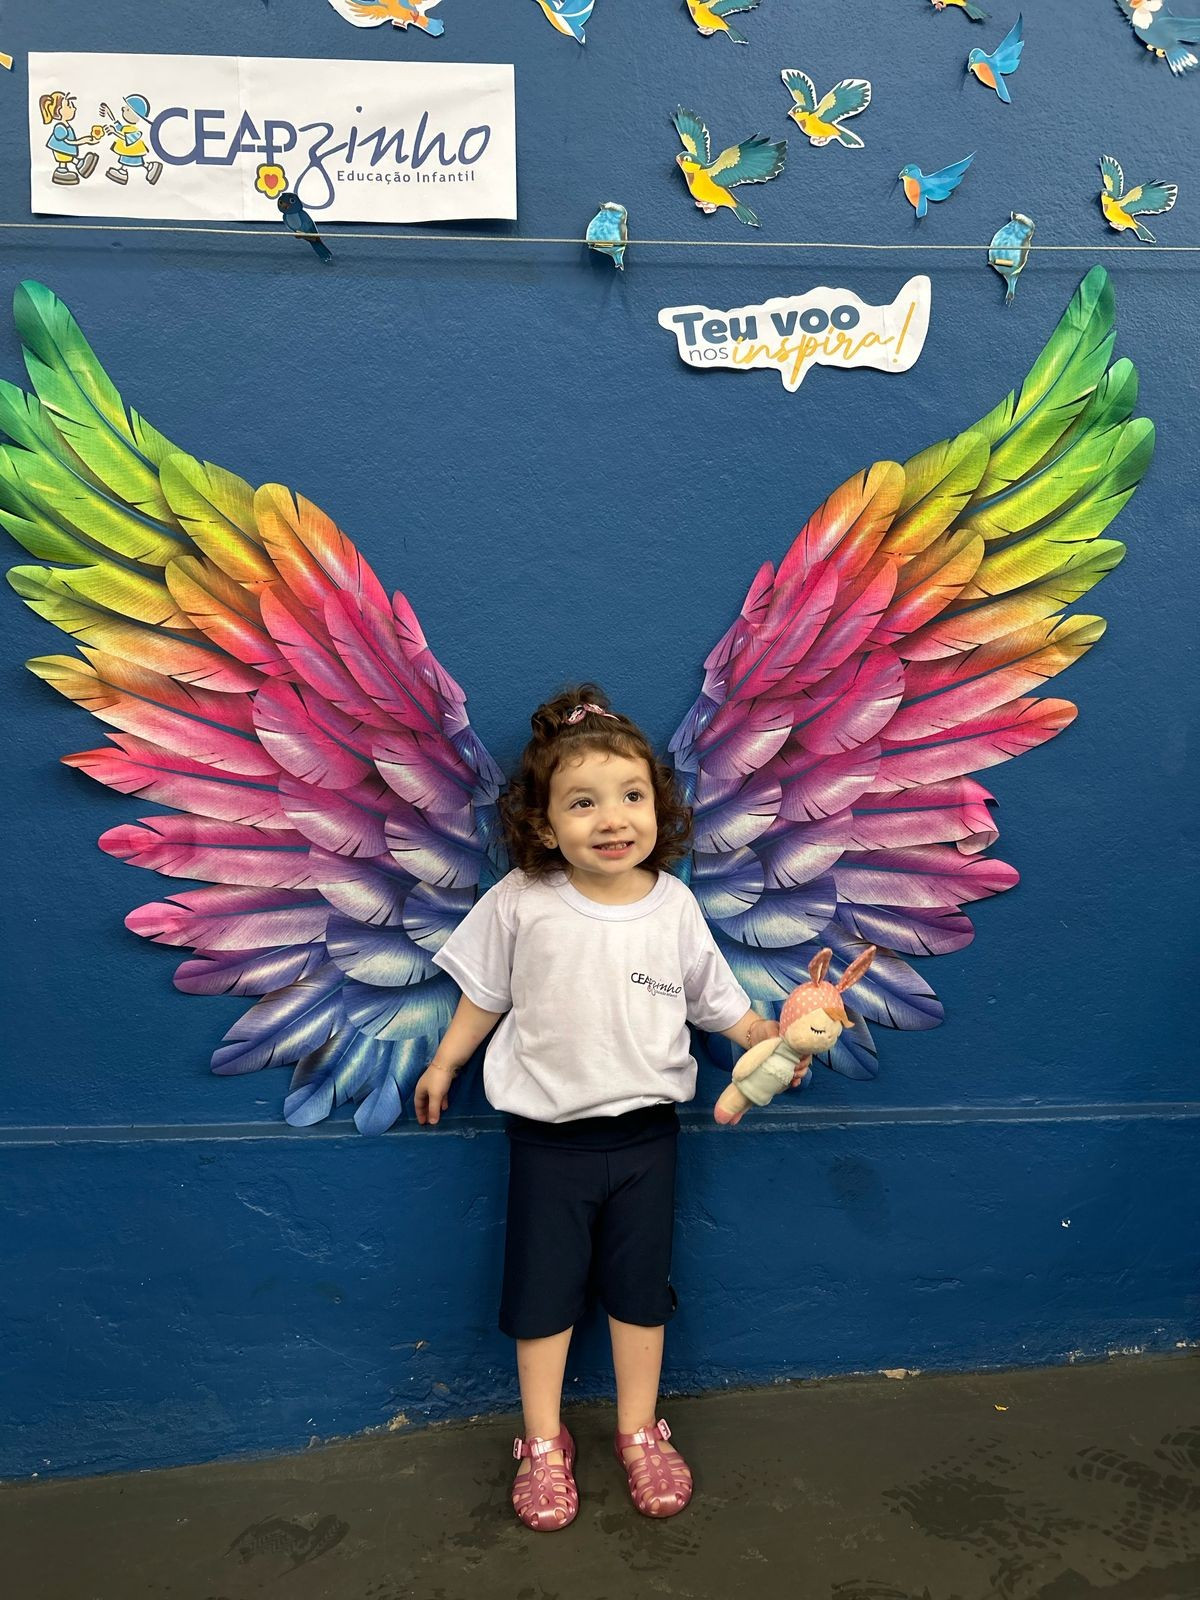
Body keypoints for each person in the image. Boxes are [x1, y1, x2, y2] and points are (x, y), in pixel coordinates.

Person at [414, 687, 784, 1531]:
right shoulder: (523, 899)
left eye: (631, 796)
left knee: (638, 1296)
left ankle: (638, 1430)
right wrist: (445, 1061)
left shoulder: (673, 906)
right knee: (541, 1300)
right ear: (545, 825)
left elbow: (717, 1003)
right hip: (549, 1145)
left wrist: (767, 1038)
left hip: (649, 1141)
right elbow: (485, 993)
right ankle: (543, 1443)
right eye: (582, 803)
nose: (612, 819)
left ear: (658, 808)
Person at [40, 92, 99, 186]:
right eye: (69, 106)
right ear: (59, 111)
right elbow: (68, 142)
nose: (74, 109)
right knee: (65, 159)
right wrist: (84, 141)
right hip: (61, 150)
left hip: (65, 150)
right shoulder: (60, 127)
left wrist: (85, 140)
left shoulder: (65, 125)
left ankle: (80, 165)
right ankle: (63, 171)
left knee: (69, 159)